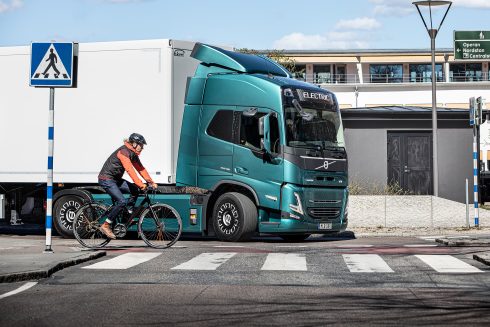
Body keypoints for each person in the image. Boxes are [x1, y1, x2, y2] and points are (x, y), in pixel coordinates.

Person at [98, 133, 158, 239]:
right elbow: (130, 170)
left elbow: (140, 168)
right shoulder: (123, 152)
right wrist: (141, 184)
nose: (142, 148)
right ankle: (106, 225)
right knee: (121, 201)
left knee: (135, 190)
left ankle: (128, 213)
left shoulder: (132, 154)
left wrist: (150, 182)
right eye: (141, 145)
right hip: (106, 179)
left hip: (115, 180)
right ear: (134, 144)